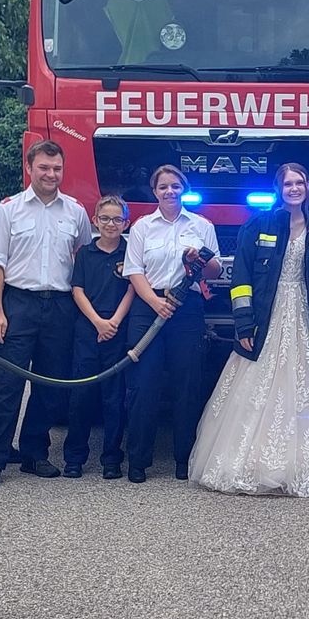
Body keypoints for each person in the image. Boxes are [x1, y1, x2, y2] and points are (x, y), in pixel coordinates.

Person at [189, 163, 309, 497]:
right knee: (257, 381)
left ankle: (300, 462)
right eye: (288, 183)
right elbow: (242, 278)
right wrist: (244, 322)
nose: (294, 188)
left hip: (305, 313)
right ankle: (246, 461)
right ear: (279, 189)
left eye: (299, 182)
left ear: (308, 185)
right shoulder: (259, 223)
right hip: (266, 313)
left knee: (301, 381)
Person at [0, 140, 92, 488]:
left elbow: (83, 257)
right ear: (30, 168)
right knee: (6, 384)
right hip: (19, 303)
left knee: (49, 385)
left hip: (59, 306)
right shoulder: (9, 210)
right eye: (44, 167)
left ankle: (34, 454)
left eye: (56, 168)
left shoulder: (75, 212)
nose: (51, 174)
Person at [122, 165, 220, 483]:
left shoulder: (201, 225)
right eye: (163, 186)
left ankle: (184, 459)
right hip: (148, 305)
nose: (169, 192)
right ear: (155, 191)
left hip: (187, 309)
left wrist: (201, 260)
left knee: (187, 385)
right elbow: (134, 270)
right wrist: (154, 302)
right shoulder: (142, 227)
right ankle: (137, 461)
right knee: (143, 385)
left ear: (184, 190)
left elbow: (215, 270)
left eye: (175, 186)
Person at [62, 196, 135, 479]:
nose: (111, 224)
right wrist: (97, 322)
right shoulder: (85, 254)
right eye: (105, 218)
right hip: (88, 329)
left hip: (117, 329)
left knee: (114, 398)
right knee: (81, 395)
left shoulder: (130, 252)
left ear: (126, 223)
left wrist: (114, 322)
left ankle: (111, 459)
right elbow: (77, 290)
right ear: (95, 221)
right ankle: (74, 458)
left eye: (117, 219)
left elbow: (132, 288)